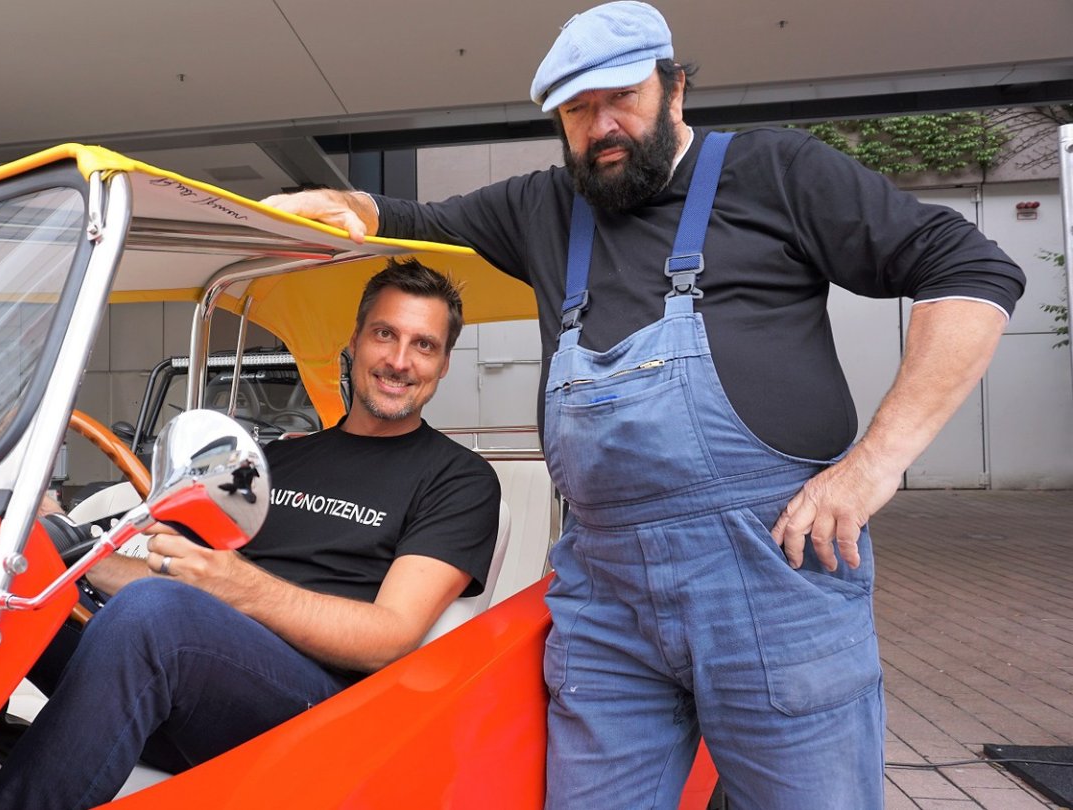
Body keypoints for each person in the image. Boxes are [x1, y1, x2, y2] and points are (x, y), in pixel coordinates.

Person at [260, 3, 1025, 807]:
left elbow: (972, 272)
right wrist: (344, 208)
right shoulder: (544, 208)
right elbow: (409, 218)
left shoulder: (777, 171)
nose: (602, 127)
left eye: (621, 97)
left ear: (675, 86)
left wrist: (873, 467)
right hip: (606, 599)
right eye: (578, 110)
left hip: (772, 580)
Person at [0, 258, 501, 810]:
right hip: (187, 686)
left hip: (318, 715)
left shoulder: (459, 479)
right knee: (1, 577)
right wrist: (66, 555)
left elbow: (390, 638)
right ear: (355, 341)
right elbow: (180, 577)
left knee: (156, 614)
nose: (399, 360)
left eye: (424, 345)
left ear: (444, 364)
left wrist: (236, 587)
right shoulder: (279, 459)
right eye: (385, 334)